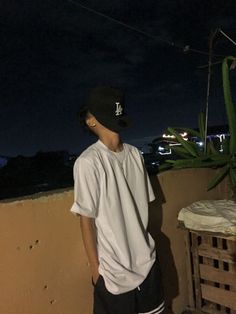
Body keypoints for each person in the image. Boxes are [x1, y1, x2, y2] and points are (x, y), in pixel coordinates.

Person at [71, 86, 165, 314]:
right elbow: (87, 220)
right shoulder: (89, 162)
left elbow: (143, 205)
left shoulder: (134, 154)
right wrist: (97, 271)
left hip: (147, 262)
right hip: (113, 273)